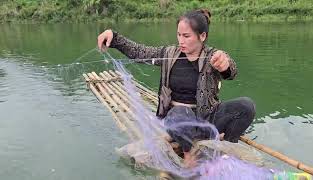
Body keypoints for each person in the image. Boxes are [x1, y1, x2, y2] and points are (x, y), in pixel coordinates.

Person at [97, 9, 255, 163]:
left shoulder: (212, 56)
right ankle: (188, 153)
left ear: (202, 36)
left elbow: (232, 72)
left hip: (207, 118)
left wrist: (225, 65)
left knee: (246, 106)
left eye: (186, 36)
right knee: (179, 115)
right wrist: (114, 38)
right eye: (179, 35)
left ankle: (226, 148)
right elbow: (139, 52)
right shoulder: (169, 53)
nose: (181, 40)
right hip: (179, 118)